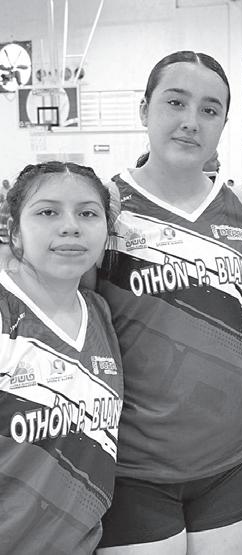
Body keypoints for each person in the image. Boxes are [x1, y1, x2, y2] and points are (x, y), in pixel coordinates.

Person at [95, 51, 242, 555]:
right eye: (175, 102)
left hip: (234, 457)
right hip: (134, 465)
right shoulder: (103, 206)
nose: (192, 121)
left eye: (210, 110)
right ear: (144, 110)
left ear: (223, 125)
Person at [0, 161, 123, 554]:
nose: (71, 226)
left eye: (87, 213)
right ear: (14, 230)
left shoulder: (99, 311)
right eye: (47, 212)